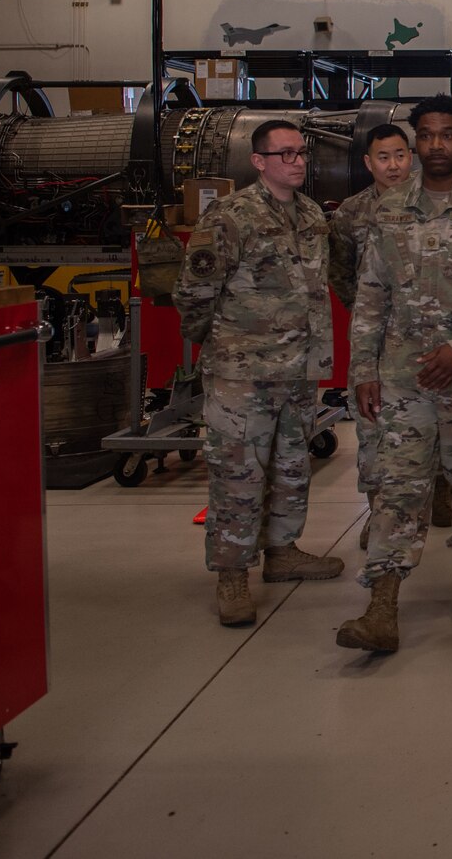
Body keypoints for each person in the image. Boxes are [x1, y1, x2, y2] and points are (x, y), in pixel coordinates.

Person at [337, 98, 452, 653]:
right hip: (404, 377)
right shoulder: (389, 210)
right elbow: (370, 296)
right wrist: (364, 371)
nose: (437, 145)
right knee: (397, 487)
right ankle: (382, 605)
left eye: (448, 134)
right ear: (416, 141)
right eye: (427, 135)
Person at [174, 119, 344, 627]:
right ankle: (232, 574)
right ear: (259, 161)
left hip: (298, 370)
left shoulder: (312, 215)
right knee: (239, 474)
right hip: (241, 374)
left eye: (301, 153)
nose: (297, 161)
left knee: (292, 466)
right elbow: (194, 294)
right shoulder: (231, 216)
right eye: (285, 153)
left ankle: (283, 551)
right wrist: (229, 342)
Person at [326, 123, 451, 546]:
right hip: (377, 342)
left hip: (431, 341)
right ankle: (380, 513)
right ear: (368, 162)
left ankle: (437, 494)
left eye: (400, 155)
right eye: (384, 157)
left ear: (411, 156)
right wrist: (368, 315)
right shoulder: (352, 213)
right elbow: (341, 272)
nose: (394, 165)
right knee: (374, 428)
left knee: (435, 426)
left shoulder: (433, 203)